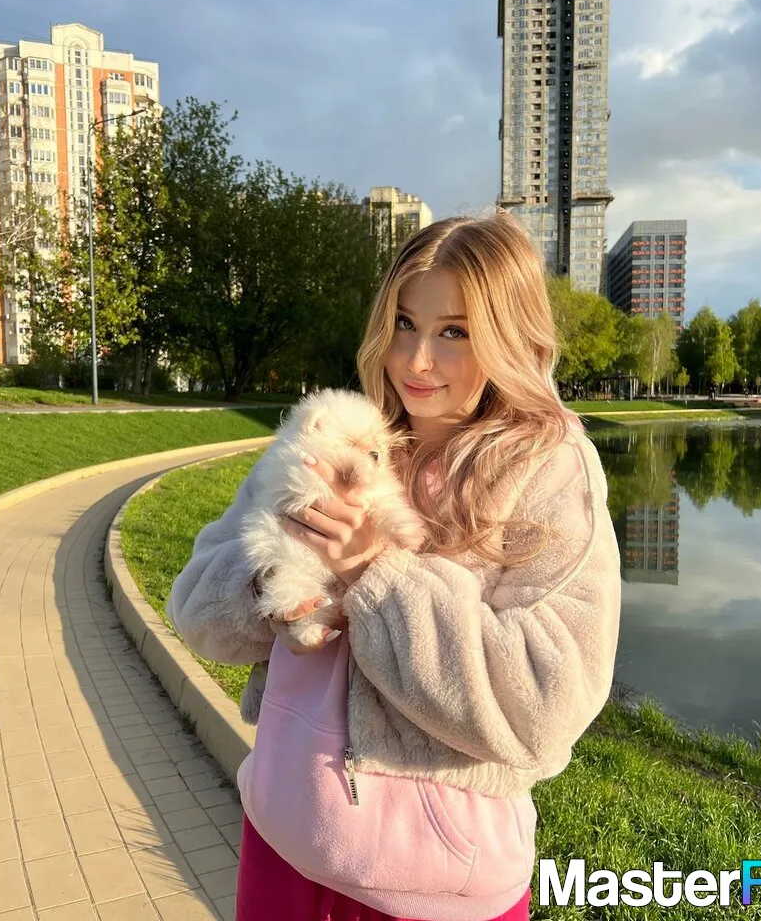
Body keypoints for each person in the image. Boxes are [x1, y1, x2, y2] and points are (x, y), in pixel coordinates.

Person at [166, 211, 622, 921]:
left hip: (434, 883)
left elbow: (545, 704)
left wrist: (373, 570)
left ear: (510, 336)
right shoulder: (335, 435)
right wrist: (282, 578)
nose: (416, 361)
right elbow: (195, 609)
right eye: (405, 324)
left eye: (454, 332)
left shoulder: (550, 467)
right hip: (282, 839)